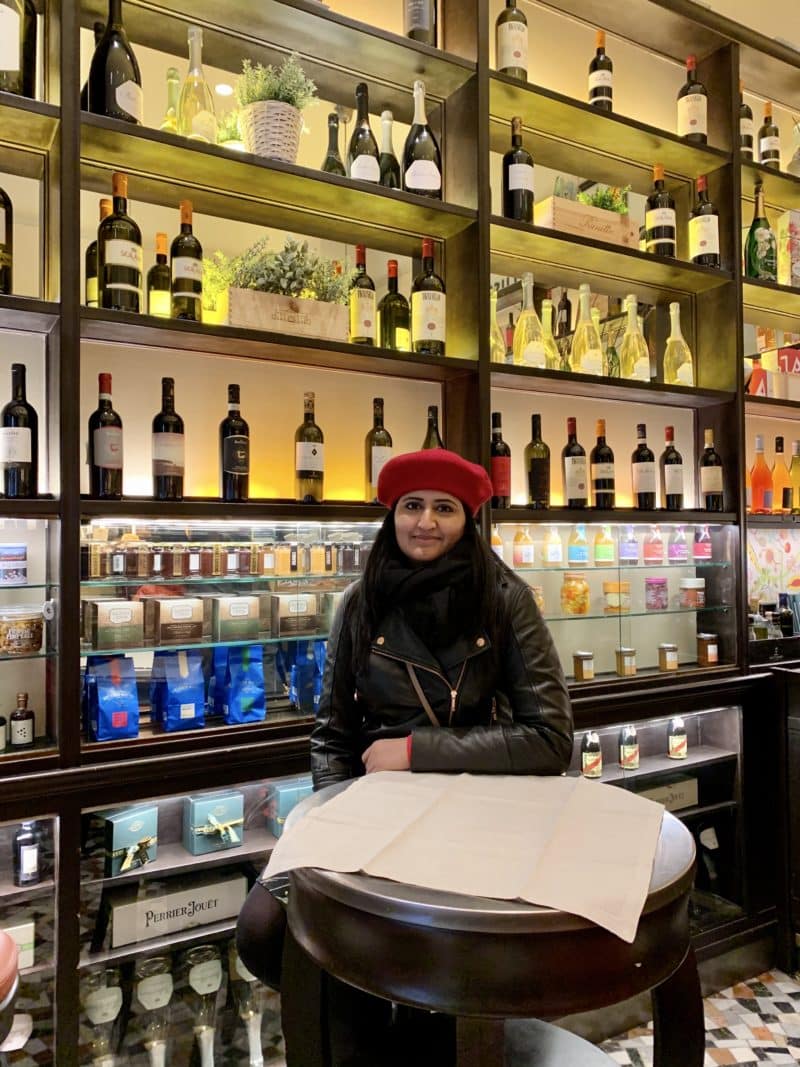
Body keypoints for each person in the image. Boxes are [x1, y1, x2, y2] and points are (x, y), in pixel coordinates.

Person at [237, 448, 573, 1067]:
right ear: (391, 516)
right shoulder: (359, 603)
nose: (426, 522)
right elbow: (331, 735)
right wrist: (332, 820)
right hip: (371, 810)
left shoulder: (505, 599)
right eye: (412, 506)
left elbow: (550, 738)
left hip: (476, 808)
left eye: (445, 508)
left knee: (425, 958)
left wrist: (416, 750)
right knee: (266, 931)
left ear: (467, 520)